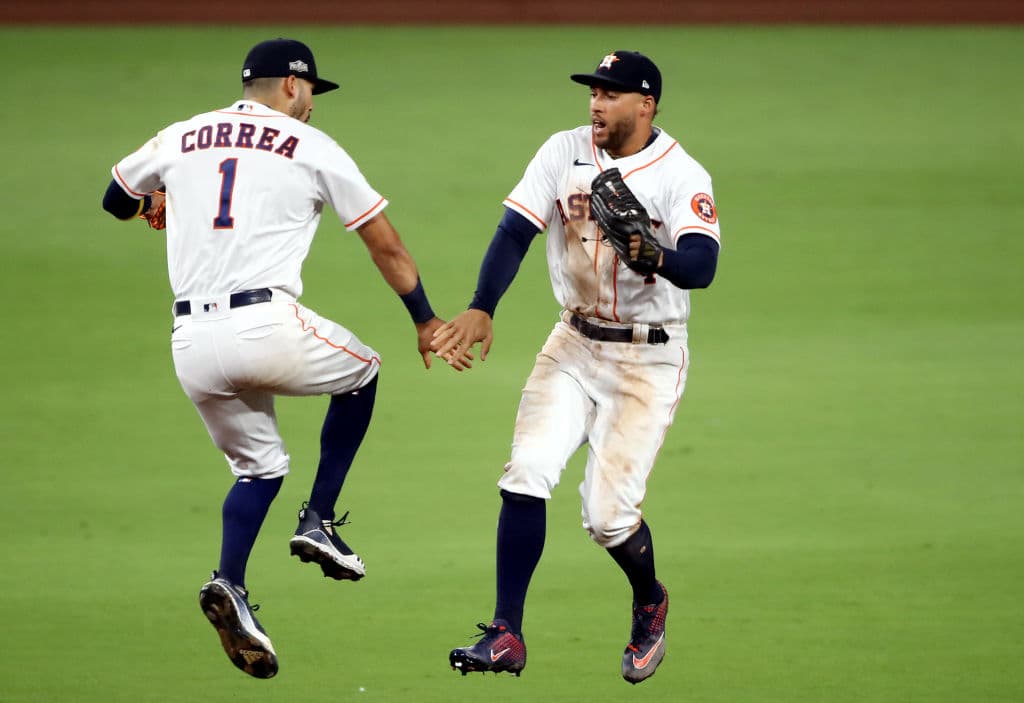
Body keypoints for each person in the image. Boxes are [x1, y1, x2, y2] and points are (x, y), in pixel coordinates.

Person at [101, 38, 462, 679]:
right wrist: (425, 318)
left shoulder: (183, 134)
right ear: (292, 86)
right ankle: (319, 519)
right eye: (312, 94)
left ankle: (230, 582)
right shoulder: (311, 147)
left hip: (189, 345)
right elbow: (385, 245)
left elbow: (117, 196)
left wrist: (152, 204)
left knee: (259, 469)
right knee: (363, 370)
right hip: (265, 324)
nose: (313, 107)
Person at [434, 50, 721, 684]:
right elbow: (515, 231)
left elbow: (702, 266)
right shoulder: (563, 150)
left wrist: (657, 254)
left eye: (611, 94)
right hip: (572, 343)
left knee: (607, 518)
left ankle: (650, 600)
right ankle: (507, 632)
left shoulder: (680, 173)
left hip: (648, 356)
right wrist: (482, 306)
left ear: (645, 106)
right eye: (593, 91)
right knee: (526, 471)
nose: (595, 103)